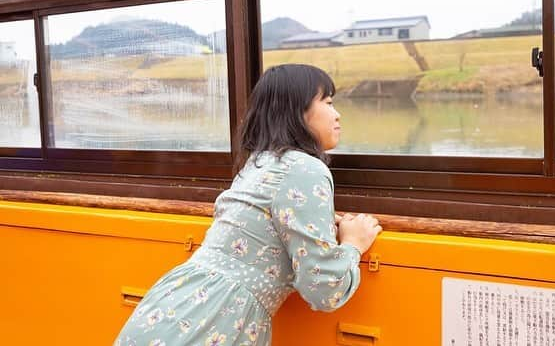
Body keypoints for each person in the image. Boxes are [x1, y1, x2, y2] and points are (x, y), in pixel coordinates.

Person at [114, 64, 382, 346]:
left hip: (172, 305)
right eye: (327, 102)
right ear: (295, 111)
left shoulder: (259, 163)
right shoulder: (306, 168)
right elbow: (324, 290)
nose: (337, 114)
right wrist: (353, 244)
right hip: (215, 319)